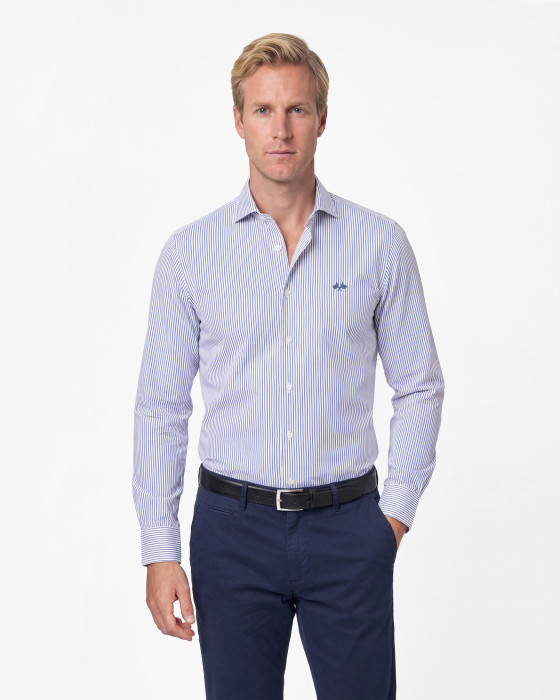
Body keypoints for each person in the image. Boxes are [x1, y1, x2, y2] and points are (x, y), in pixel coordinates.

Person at [133, 32, 444, 700]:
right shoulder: (191, 255)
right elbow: (161, 408)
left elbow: (419, 386)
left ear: (322, 119)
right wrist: (160, 549)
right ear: (238, 121)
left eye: (297, 109)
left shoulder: (378, 245)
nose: (281, 129)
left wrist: (392, 518)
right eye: (264, 110)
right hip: (231, 532)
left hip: (349, 527)